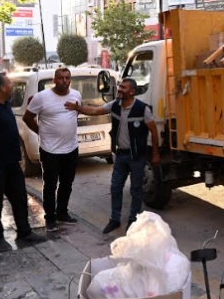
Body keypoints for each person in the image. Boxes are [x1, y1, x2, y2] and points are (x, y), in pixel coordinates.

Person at [65, 78, 160, 234]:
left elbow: (154, 131)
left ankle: (134, 220)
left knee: (136, 189)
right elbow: (95, 111)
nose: (119, 89)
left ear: (132, 92)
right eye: (119, 86)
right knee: (115, 187)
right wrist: (78, 108)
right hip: (121, 155)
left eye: (123, 87)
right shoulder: (114, 105)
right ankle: (114, 219)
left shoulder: (142, 109)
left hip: (137, 156)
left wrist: (155, 153)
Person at [0, 73, 47, 252]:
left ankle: (25, 232)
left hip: (12, 163)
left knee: (20, 198)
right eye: (9, 83)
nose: (12, 84)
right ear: (2, 87)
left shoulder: (5, 104)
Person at [22, 68, 82, 232]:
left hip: (71, 148)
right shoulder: (42, 97)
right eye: (60, 78)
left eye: (67, 78)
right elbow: (27, 118)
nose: (64, 80)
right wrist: (40, 132)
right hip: (50, 151)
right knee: (50, 185)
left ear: (70, 80)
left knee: (67, 184)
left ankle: (62, 213)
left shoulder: (76, 95)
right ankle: (50, 218)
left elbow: (73, 116)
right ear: (54, 80)